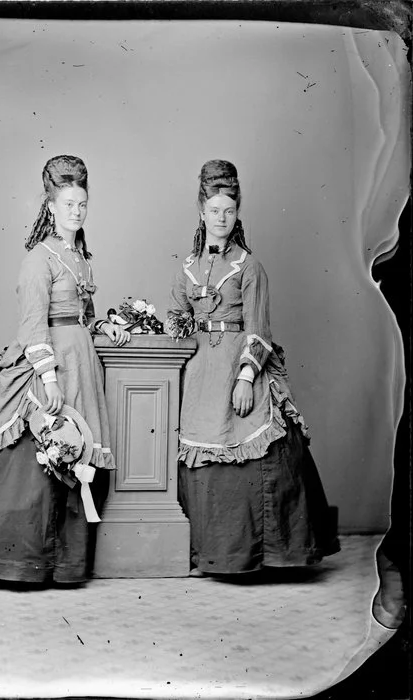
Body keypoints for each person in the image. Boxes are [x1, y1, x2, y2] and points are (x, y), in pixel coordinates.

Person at [0, 155, 130, 585]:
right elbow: (32, 324)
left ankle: (64, 565)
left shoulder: (80, 258)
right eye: (68, 204)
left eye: (82, 204)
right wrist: (48, 378)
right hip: (51, 365)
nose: (76, 212)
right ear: (50, 207)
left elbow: (84, 314)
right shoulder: (38, 259)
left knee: (74, 455)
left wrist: (106, 326)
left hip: (82, 362)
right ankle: (16, 562)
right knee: (37, 459)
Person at [166, 159, 339, 578]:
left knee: (256, 443)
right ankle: (212, 553)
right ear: (201, 212)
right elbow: (175, 314)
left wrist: (246, 377)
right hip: (200, 370)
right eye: (213, 211)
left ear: (237, 212)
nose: (221, 219)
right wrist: (177, 326)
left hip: (239, 366)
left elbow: (259, 329)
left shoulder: (249, 267)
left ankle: (263, 555)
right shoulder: (187, 268)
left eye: (229, 211)